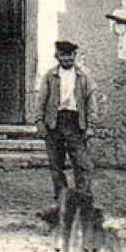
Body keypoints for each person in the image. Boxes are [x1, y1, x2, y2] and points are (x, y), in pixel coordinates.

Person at [37, 40, 96, 203]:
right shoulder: (50, 76)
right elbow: (42, 99)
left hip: (76, 123)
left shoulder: (84, 76)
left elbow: (91, 101)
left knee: (81, 163)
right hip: (54, 122)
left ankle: (83, 197)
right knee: (56, 164)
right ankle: (61, 198)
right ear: (57, 56)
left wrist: (91, 126)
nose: (67, 60)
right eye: (63, 56)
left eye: (70, 56)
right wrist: (39, 122)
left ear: (75, 56)